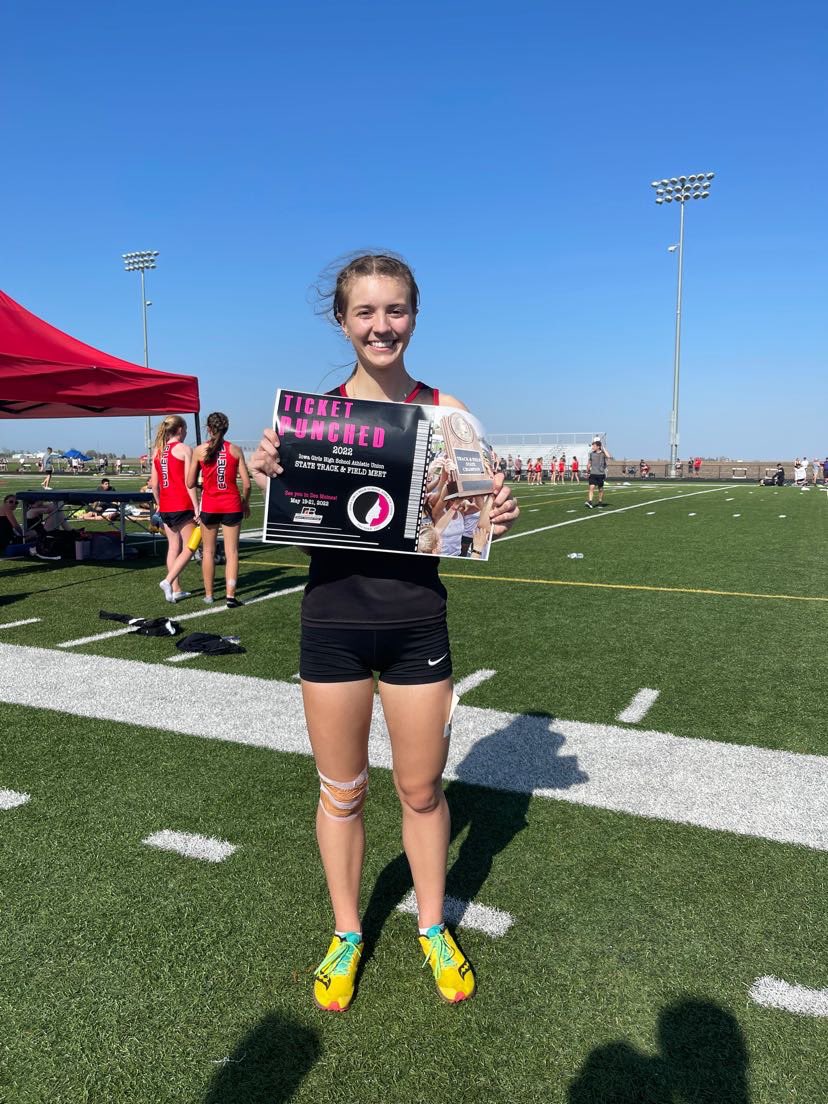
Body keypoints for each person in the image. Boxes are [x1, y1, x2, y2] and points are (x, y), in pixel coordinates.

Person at [249, 253, 518, 1012]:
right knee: (342, 792)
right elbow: (285, 514)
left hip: (414, 627)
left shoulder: (446, 411)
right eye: (365, 312)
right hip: (331, 624)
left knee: (422, 789)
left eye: (394, 310)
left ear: (414, 315)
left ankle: (432, 924)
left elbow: (464, 524)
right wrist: (263, 472)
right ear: (343, 320)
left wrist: (491, 514)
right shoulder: (309, 418)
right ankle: (346, 932)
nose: (381, 325)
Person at [187, 411, 251, 607]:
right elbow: (247, 484)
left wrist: (204, 483)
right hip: (232, 505)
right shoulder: (236, 450)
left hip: (211, 505)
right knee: (232, 552)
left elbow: (189, 482)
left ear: (208, 429)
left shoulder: (199, 450)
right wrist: (245, 503)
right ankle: (231, 596)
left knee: (208, 551)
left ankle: (209, 594)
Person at [149, 415, 200, 602]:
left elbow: (154, 484)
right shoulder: (184, 449)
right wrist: (196, 506)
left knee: (173, 547)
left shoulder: (157, 451)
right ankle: (169, 581)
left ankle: (175, 589)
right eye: (185, 430)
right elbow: (190, 483)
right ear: (179, 429)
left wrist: (159, 503)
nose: (186, 433)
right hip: (182, 505)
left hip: (166, 507)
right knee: (190, 547)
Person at [585, 437, 611, 507]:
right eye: (592, 445)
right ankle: (590, 501)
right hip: (593, 473)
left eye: (594, 446)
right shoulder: (591, 454)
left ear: (598, 447)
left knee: (600, 489)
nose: (593, 447)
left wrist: (603, 447)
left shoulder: (603, 453)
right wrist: (587, 471)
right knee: (591, 487)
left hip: (601, 474)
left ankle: (600, 501)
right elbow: (589, 463)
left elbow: (609, 456)